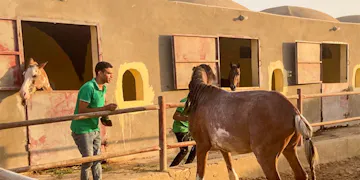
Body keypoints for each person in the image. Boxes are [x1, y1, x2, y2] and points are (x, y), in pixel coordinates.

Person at [70, 61, 117, 180]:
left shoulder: (103, 88)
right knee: (88, 160)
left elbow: (101, 104)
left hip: (94, 127)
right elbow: (82, 110)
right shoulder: (88, 87)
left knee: (97, 159)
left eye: (112, 74)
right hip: (82, 129)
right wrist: (105, 108)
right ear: (99, 73)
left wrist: (105, 116)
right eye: (108, 73)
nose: (111, 76)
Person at [169, 97, 196, 167]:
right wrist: (187, 118)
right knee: (184, 150)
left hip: (190, 129)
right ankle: (172, 167)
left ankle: (188, 165)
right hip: (181, 128)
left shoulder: (200, 101)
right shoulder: (185, 101)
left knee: (197, 145)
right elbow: (175, 116)